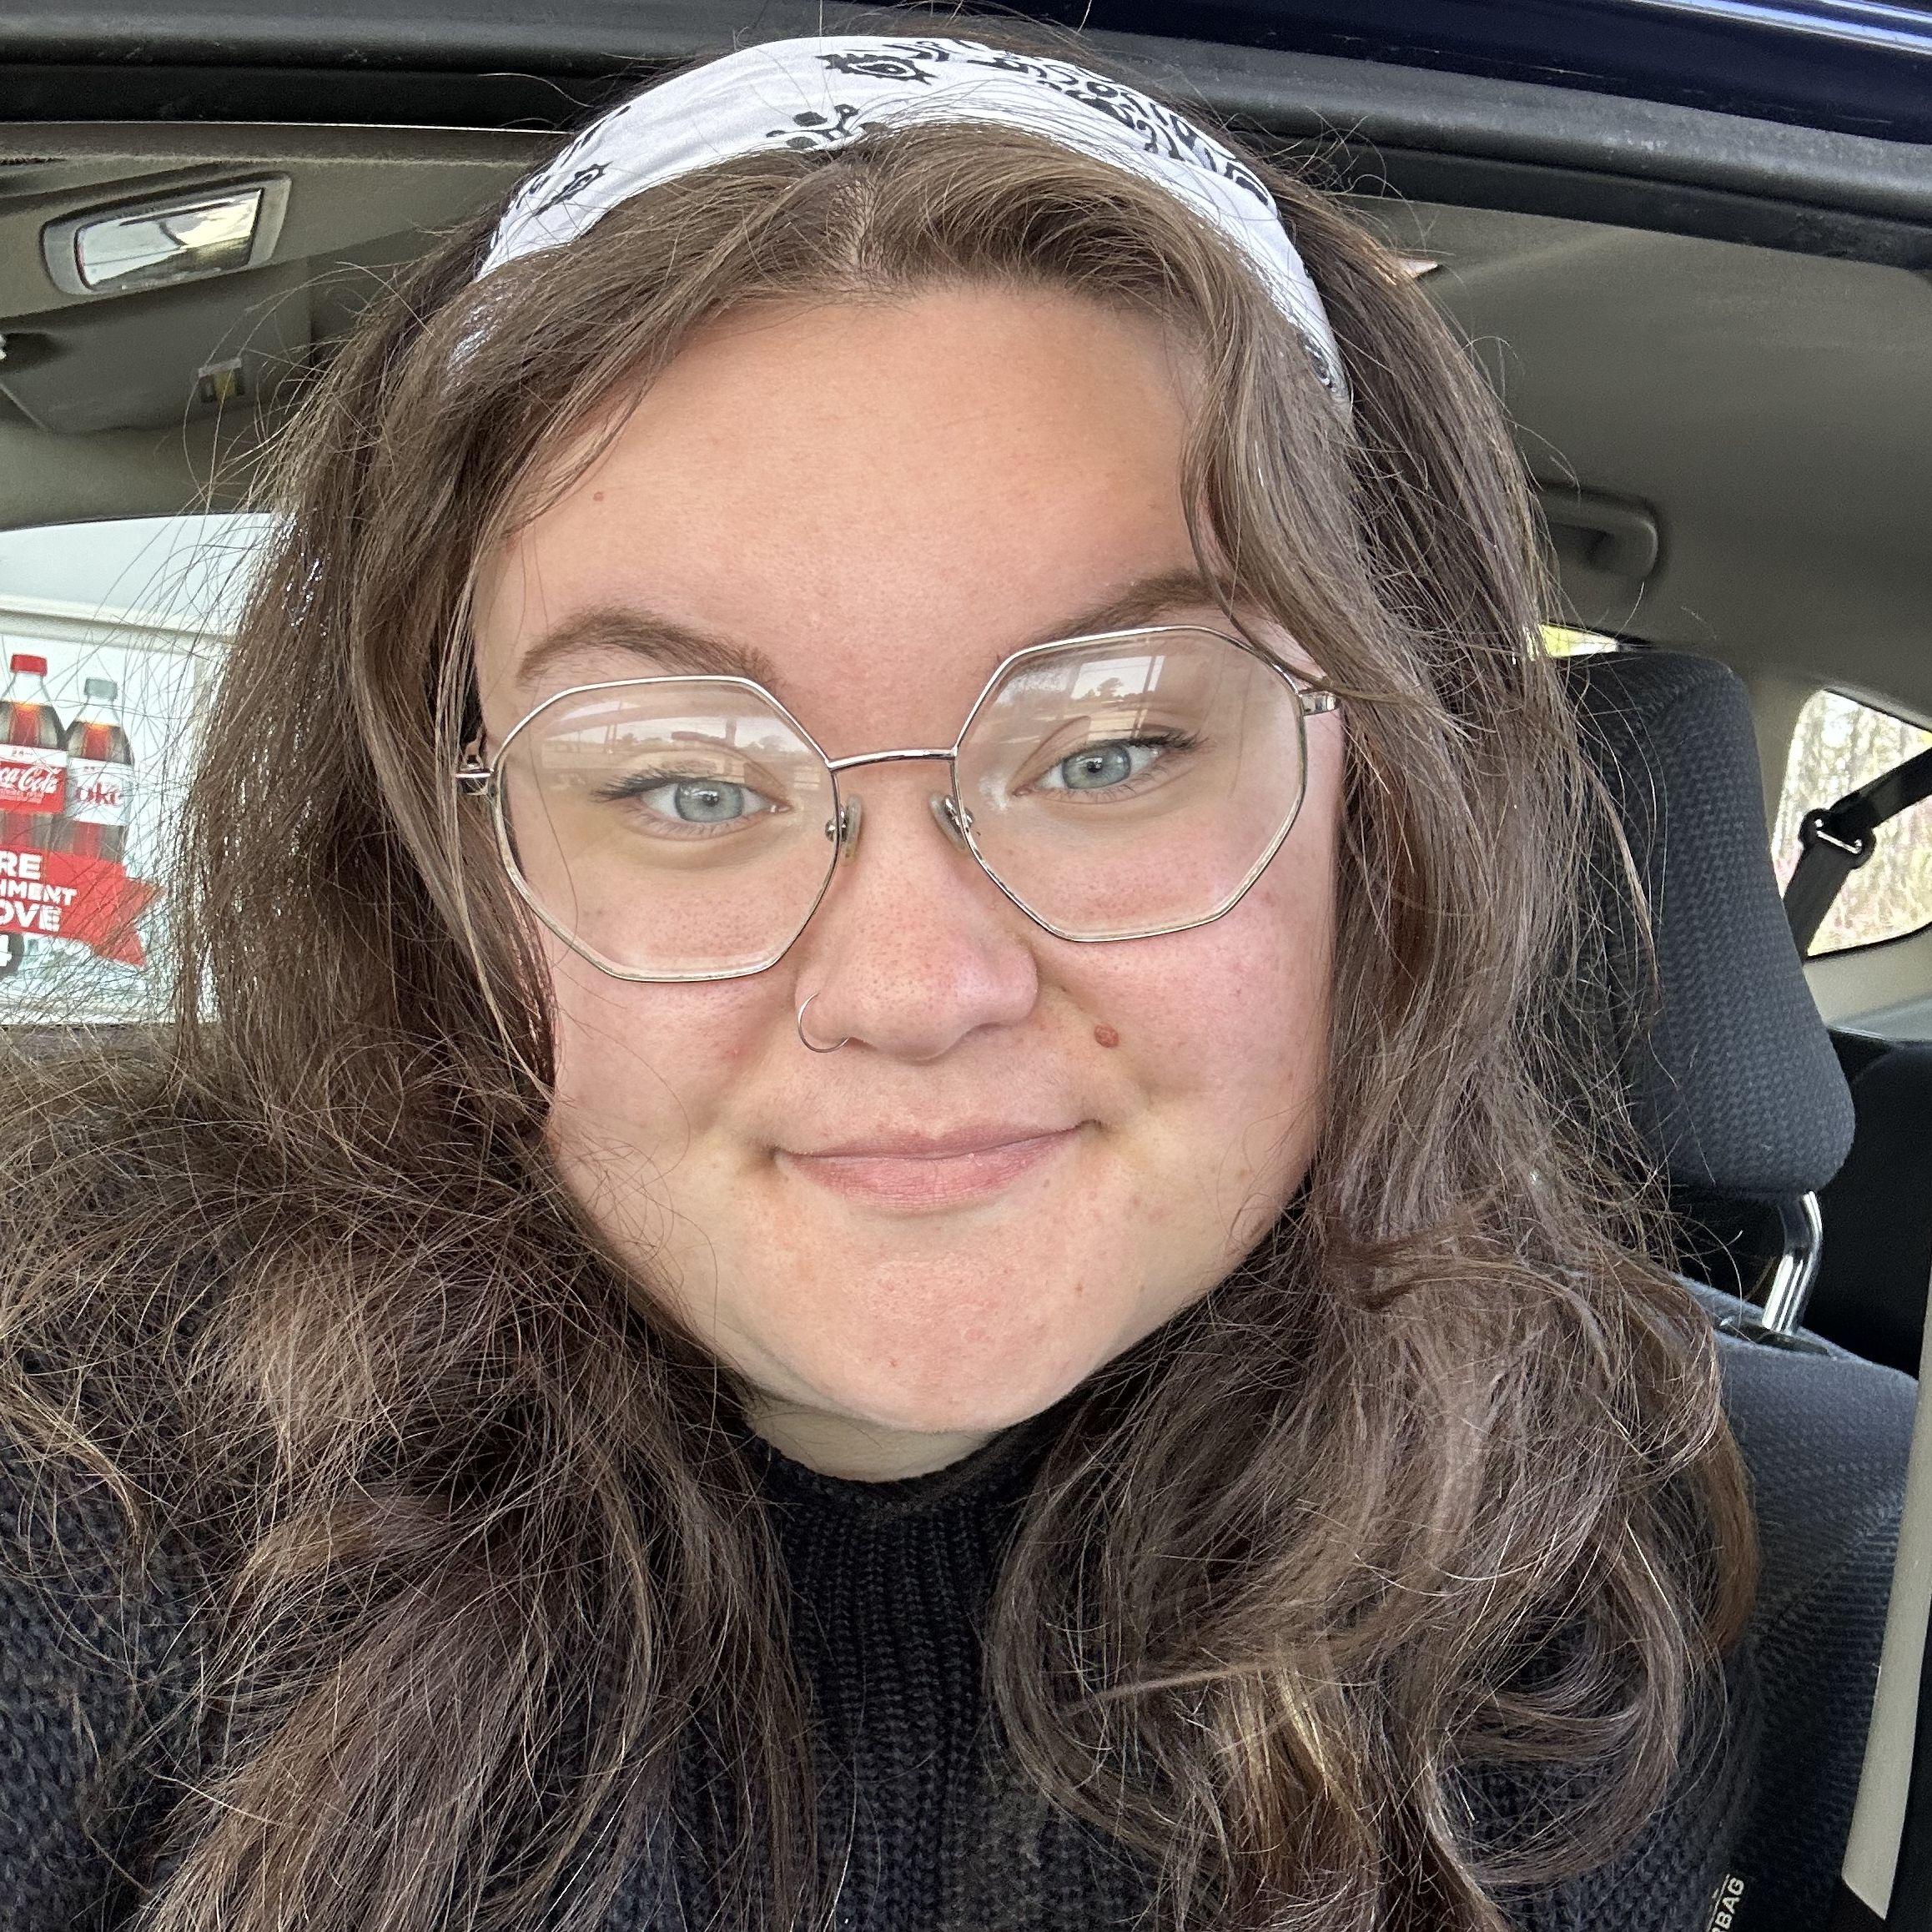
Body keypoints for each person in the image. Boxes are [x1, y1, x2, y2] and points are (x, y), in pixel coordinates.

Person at [0, 20, 1901, 1932]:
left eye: (1115, 749)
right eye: (680, 782)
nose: (912, 990)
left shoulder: (1616, 1603)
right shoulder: (88, 1534)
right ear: (450, 867)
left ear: (1383, 813)